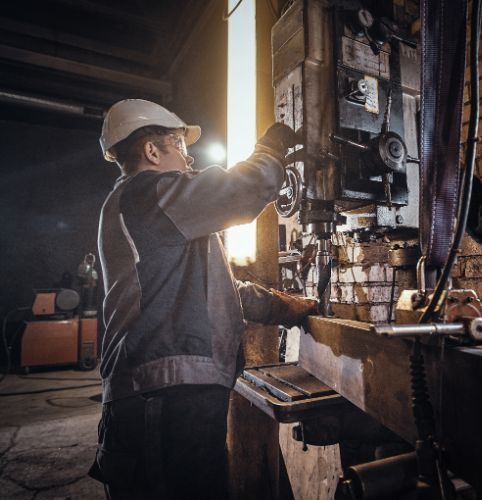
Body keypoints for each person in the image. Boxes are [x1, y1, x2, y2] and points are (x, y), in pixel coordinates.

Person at [88, 99, 317, 499]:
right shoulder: (146, 194)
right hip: (158, 395)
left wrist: (282, 307)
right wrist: (270, 150)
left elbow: (219, 289)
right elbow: (243, 190)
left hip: (169, 395)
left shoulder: (162, 215)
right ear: (152, 151)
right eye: (179, 144)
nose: (188, 158)